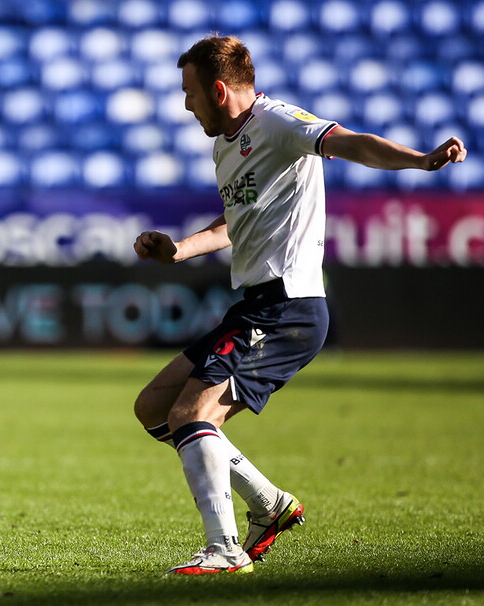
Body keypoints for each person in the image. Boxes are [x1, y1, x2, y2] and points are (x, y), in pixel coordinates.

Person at [132, 35, 466, 575]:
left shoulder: (280, 123)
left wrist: (422, 160)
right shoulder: (227, 144)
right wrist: (177, 251)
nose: (186, 105)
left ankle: (225, 549)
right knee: (154, 409)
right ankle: (270, 506)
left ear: (219, 90)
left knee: (192, 414)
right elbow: (233, 224)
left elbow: (351, 143)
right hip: (257, 308)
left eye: (191, 93)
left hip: (288, 307)